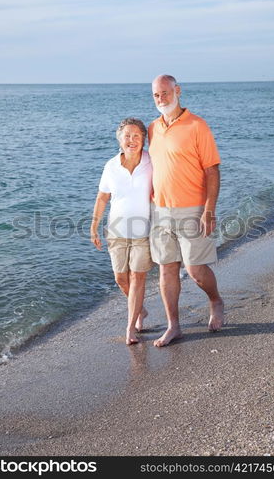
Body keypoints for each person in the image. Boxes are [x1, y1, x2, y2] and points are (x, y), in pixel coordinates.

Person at [148, 74, 224, 347]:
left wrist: (209, 209)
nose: (161, 99)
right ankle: (174, 326)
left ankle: (215, 301)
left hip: (193, 208)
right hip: (161, 211)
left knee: (195, 270)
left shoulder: (197, 125)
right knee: (166, 269)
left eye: (165, 93)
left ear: (177, 91)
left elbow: (212, 169)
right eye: (156, 95)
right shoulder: (152, 128)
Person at [90, 117, 153, 345]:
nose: (132, 140)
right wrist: (94, 226)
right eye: (127, 136)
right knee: (120, 278)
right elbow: (102, 197)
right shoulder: (111, 166)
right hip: (116, 230)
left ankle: (131, 326)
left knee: (137, 276)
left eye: (137, 136)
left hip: (143, 231)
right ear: (120, 140)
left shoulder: (152, 162)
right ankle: (140, 310)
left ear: (144, 139)